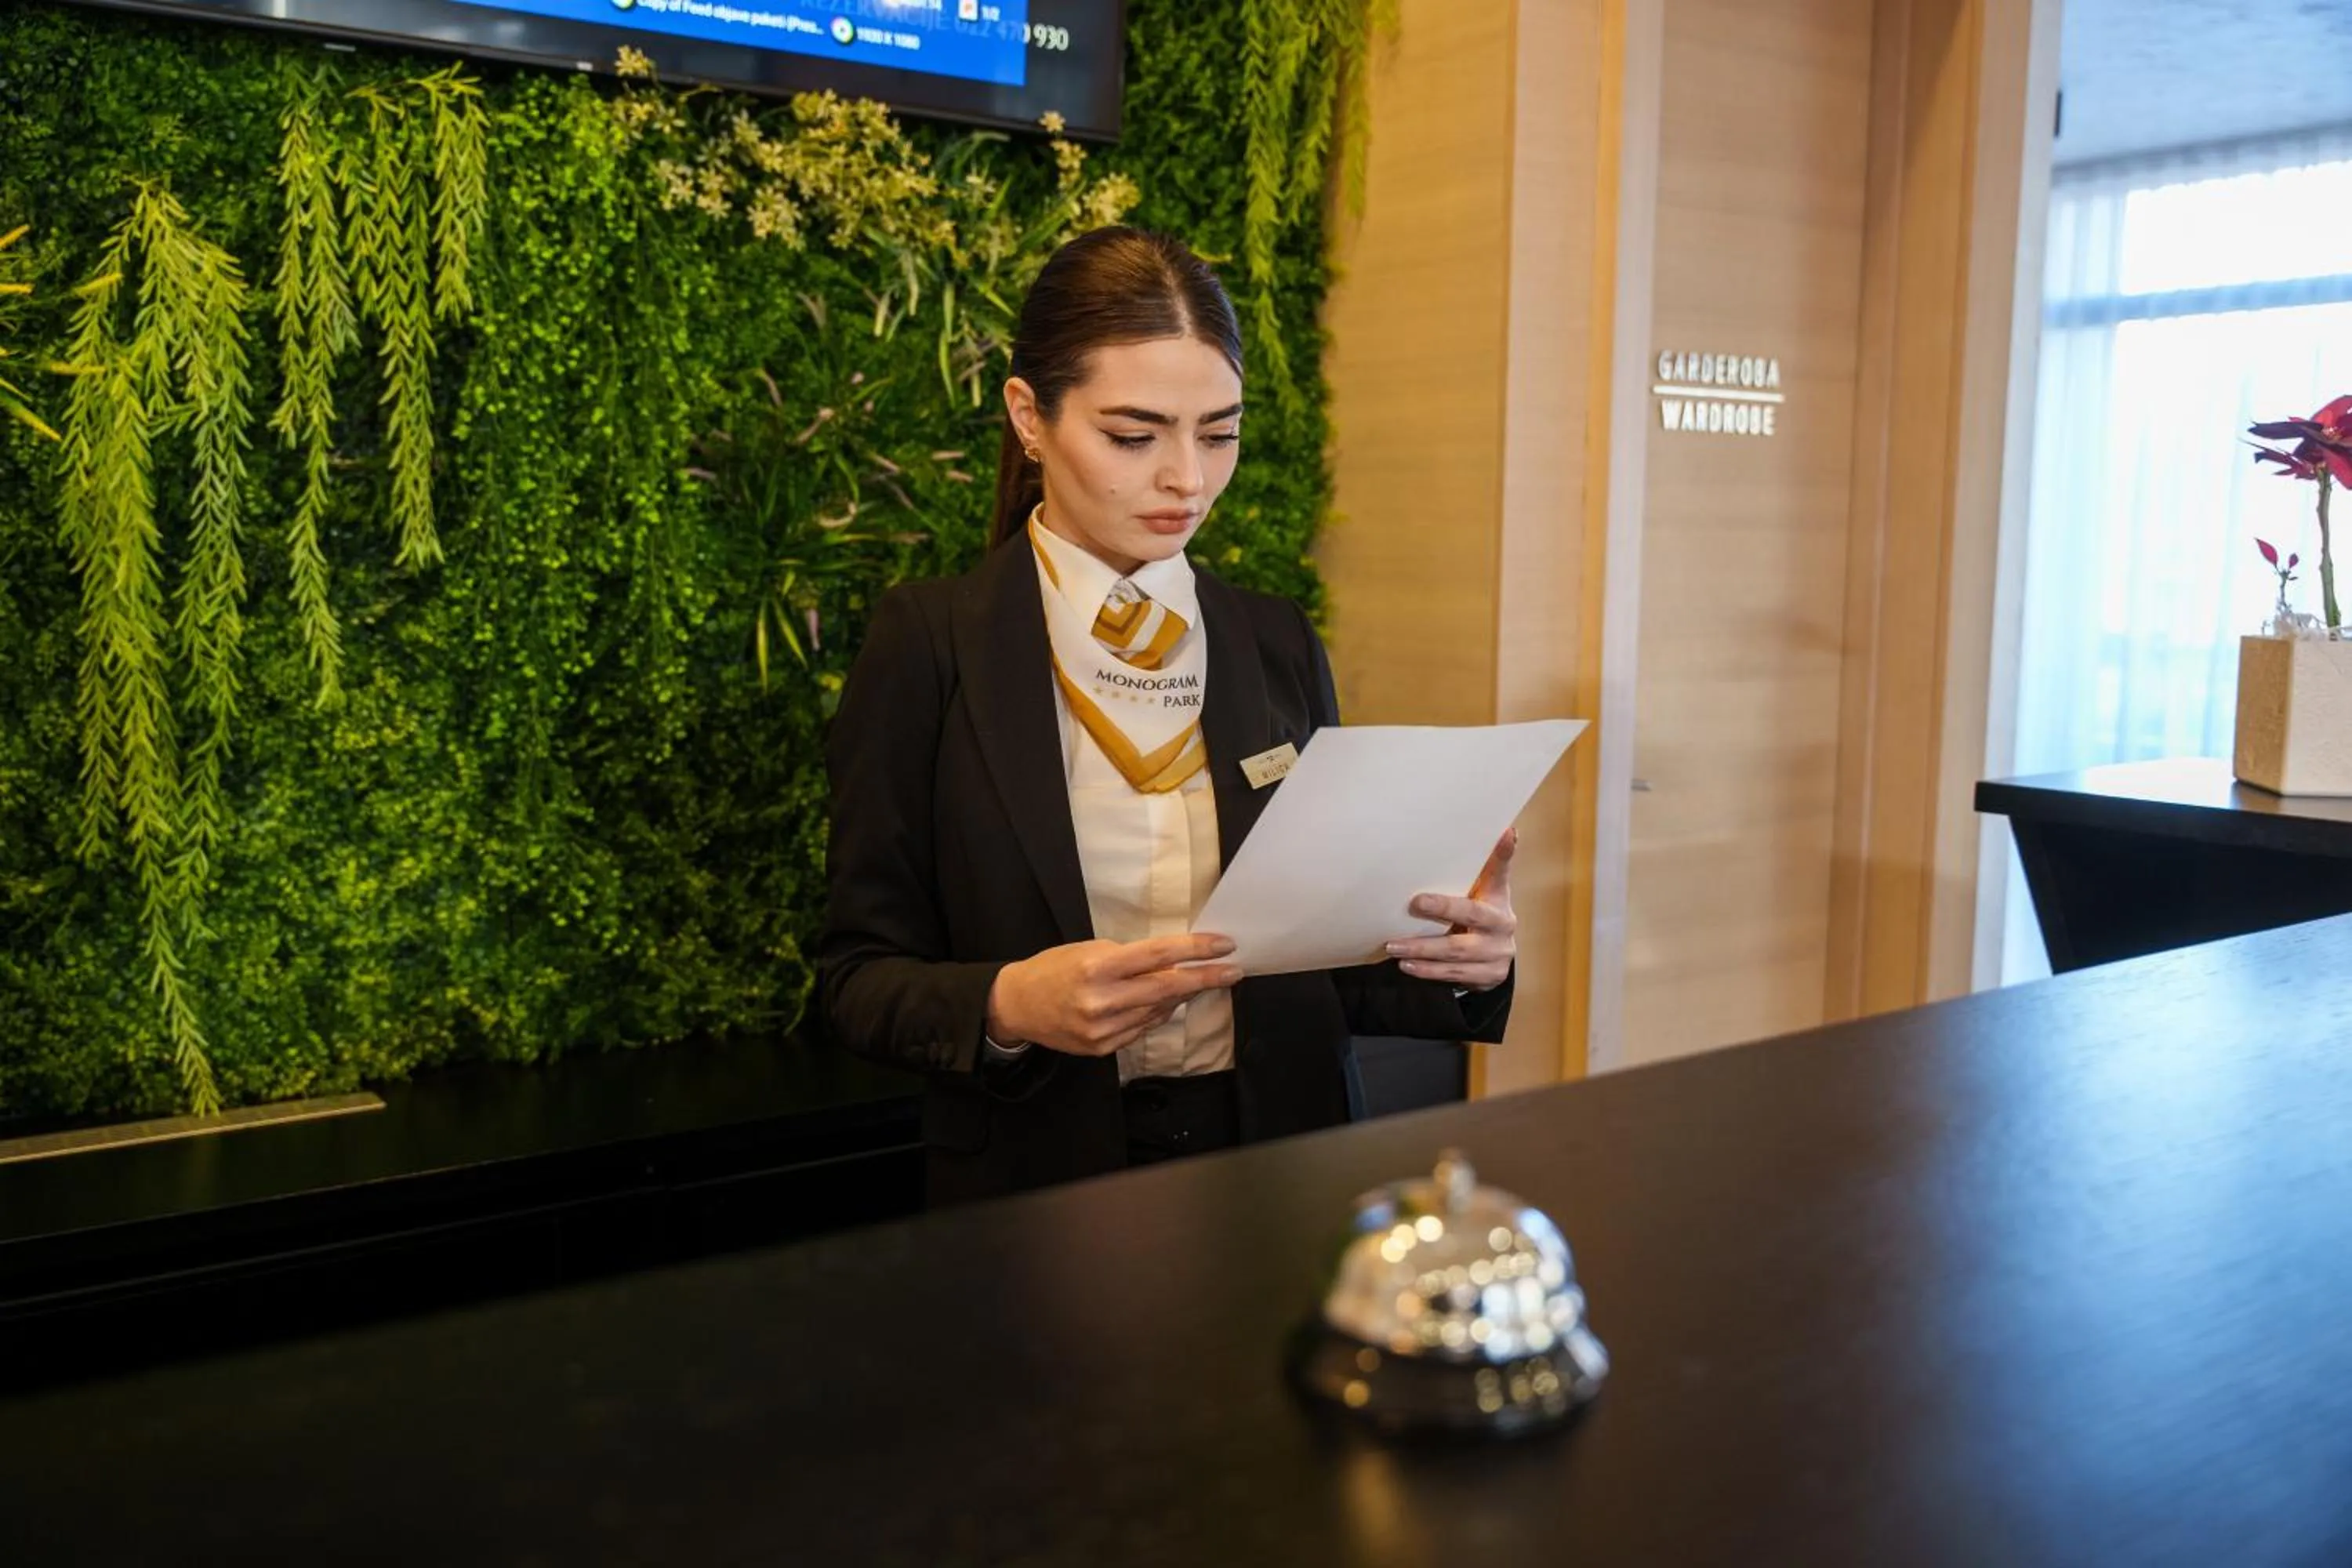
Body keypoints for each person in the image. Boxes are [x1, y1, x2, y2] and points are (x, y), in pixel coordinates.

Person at [818, 226, 1518, 1206]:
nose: (1188, 478)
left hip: (1279, 1169)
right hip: (1039, 1182)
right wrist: (1010, 1003)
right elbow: (857, 977)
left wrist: (1461, 957)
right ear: (1029, 414)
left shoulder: (1271, 640)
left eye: (1220, 432)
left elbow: (1324, 963)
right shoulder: (932, 644)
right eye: (1133, 436)